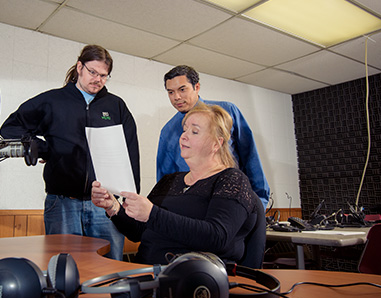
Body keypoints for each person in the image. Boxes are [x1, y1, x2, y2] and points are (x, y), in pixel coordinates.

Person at [0, 45, 140, 260]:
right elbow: (10, 128)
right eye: (93, 72)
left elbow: (130, 151)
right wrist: (43, 148)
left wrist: (131, 198)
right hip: (63, 203)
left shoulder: (116, 106)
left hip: (105, 204)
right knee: (63, 271)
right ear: (79, 67)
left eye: (104, 75)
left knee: (111, 268)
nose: (98, 79)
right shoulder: (53, 101)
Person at [92, 103, 266, 267]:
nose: (184, 135)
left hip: (194, 280)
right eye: (184, 130)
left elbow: (217, 236)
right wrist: (113, 207)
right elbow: (138, 232)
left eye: (195, 132)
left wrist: (152, 214)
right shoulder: (170, 180)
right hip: (145, 273)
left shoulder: (231, 180)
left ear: (216, 143)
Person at [157, 65, 270, 207]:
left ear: (196, 87)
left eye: (182, 89)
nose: (176, 97)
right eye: (170, 92)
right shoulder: (168, 132)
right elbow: (165, 181)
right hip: (194, 210)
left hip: (234, 204)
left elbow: (250, 158)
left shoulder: (227, 112)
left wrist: (259, 204)